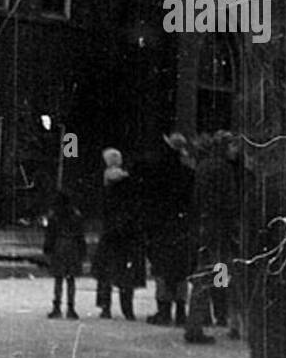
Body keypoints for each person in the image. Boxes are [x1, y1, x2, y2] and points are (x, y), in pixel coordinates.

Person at [184, 131, 239, 345]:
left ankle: (198, 321)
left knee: (206, 274)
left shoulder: (204, 166)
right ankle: (225, 317)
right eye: (233, 146)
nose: (235, 150)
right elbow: (229, 201)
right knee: (221, 273)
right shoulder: (223, 168)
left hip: (205, 228)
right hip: (219, 229)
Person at [145, 132, 194, 327]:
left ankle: (164, 310)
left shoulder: (158, 173)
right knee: (181, 271)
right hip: (181, 227)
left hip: (161, 227)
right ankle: (181, 310)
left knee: (162, 270)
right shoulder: (188, 174)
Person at [93, 148, 141, 320]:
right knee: (126, 272)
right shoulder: (128, 183)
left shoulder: (106, 184)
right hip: (126, 233)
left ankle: (105, 306)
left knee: (106, 271)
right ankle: (128, 308)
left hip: (109, 232)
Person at [44, 191, 86, 320]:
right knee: (71, 278)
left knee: (58, 278)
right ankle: (71, 307)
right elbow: (80, 235)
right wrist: (82, 251)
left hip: (59, 246)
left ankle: (57, 307)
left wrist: (47, 248)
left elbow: (50, 234)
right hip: (73, 247)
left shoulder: (54, 216)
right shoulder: (76, 216)